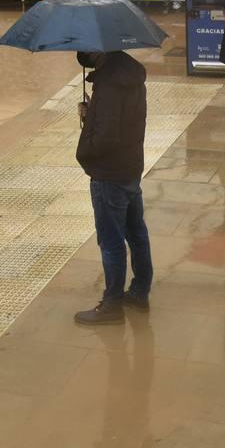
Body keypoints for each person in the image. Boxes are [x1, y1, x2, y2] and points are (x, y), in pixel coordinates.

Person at [74, 50, 154, 325]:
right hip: (130, 167)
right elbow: (122, 122)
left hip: (109, 174)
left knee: (110, 241)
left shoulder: (108, 85)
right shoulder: (130, 75)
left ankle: (112, 305)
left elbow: (106, 137)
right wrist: (91, 113)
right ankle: (140, 292)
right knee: (136, 233)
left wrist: (86, 143)